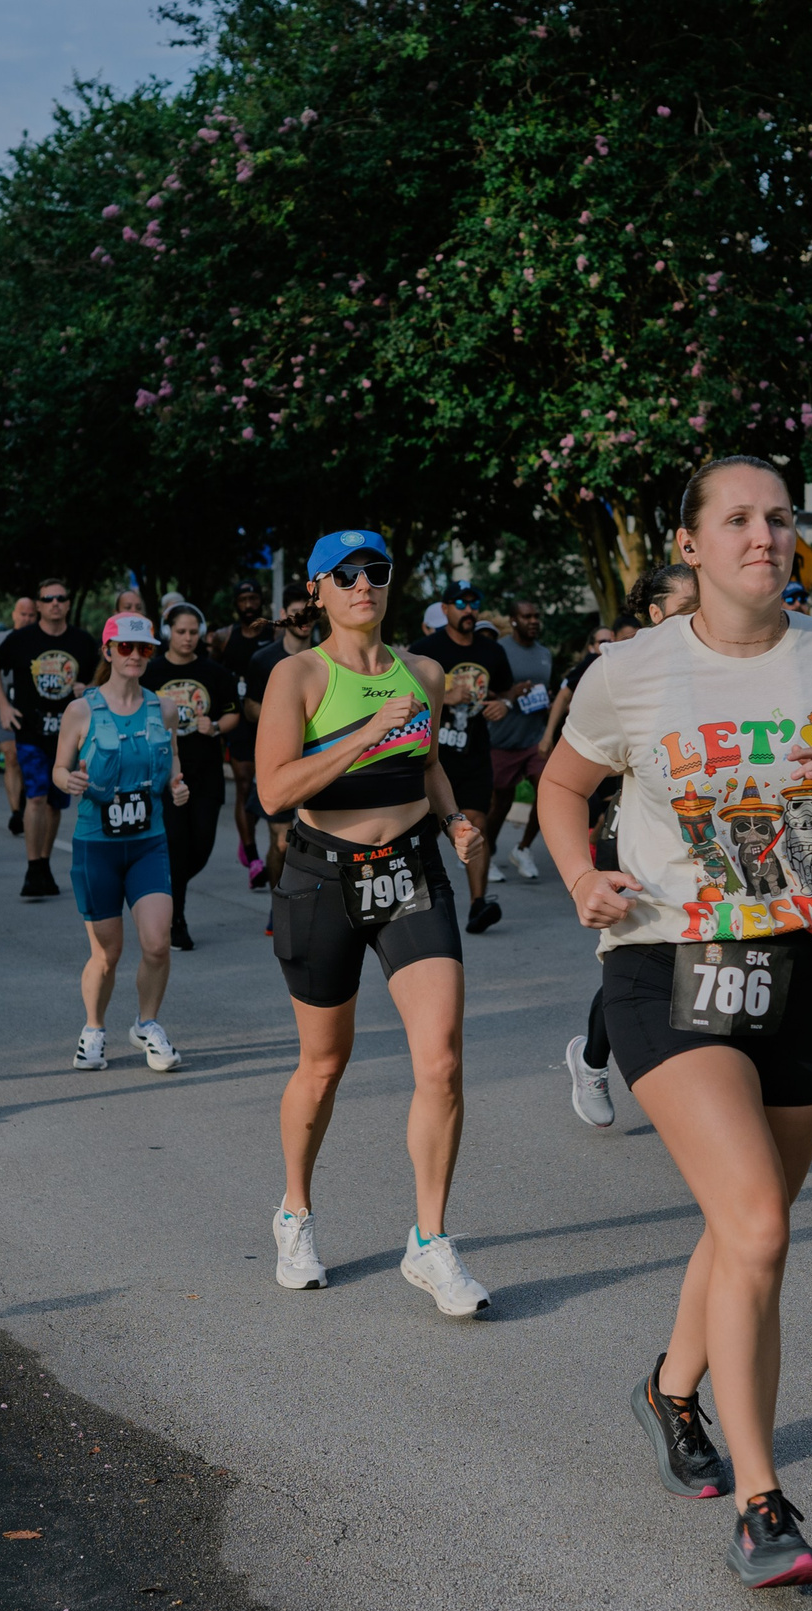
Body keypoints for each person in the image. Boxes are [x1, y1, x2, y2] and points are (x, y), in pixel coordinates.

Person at [539, 455, 812, 1589]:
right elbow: (563, 787)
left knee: (740, 1223)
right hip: (666, 964)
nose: (764, 536)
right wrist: (580, 879)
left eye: (778, 518)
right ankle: (764, 1505)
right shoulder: (631, 672)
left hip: (805, 973)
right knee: (759, 1220)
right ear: (692, 546)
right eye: (737, 519)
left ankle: (670, 1387)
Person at [256, 529, 492, 1319]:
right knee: (323, 1066)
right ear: (319, 590)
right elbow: (274, 792)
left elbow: (427, 763)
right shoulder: (298, 676)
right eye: (345, 573)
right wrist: (365, 731)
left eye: (376, 571)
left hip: (411, 873)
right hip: (322, 878)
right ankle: (294, 1212)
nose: (364, 583)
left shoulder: (422, 672)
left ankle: (429, 1240)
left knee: (443, 1061)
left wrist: (456, 820)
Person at [560, 567, 696, 1129]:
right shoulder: (624, 670)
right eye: (690, 604)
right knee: (643, 955)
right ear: (657, 614)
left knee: (702, 957)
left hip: (703, 827)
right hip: (629, 823)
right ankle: (594, 1060)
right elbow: (570, 768)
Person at [56, 614, 189, 1070]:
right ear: (108, 650)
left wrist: (177, 785)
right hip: (97, 845)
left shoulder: (164, 709)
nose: (135, 656)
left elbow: (172, 760)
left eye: (144, 649)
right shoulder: (82, 711)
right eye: (126, 647)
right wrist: (68, 779)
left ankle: (147, 1025)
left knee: (156, 943)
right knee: (107, 953)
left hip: (148, 842)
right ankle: (94, 1028)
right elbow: (59, 768)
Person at [0, 578, 101, 899]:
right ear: (37, 605)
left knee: (55, 800)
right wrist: (4, 707)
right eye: (48, 598)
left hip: (69, 733)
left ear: (67, 603)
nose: (55, 603)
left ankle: (44, 863)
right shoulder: (22, 639)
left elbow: (101, 673)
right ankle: (33, 866)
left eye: (61, 598)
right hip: (31, 731)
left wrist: (88, 687)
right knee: (35, 796)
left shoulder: (82, 641)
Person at [408, 581, 513, 932]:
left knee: (475, 824)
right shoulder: (425, 650)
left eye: (473, 603)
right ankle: (411, 901)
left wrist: (504, 703)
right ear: (446, 608)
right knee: (424, 831)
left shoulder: (491, 651)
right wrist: (442, 697)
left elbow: (503, 690)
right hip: (433, 754)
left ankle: (478, 904)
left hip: (474, 752)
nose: (468, 610)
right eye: (460, 603)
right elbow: (402, 697)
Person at [141, 603, 242, 949]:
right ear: (168, 632)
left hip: (206, 773)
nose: (187, 638)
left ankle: (167, 889)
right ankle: (176, 920)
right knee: (176, 846)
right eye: (181, 632)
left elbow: (234, 715)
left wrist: (213, 725)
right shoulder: (150, 673)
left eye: (193, 632)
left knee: (201, 846)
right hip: (166, 776)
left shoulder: (214, 672)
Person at [240, 586, 317, 891]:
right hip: (279, 757)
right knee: (282, 842)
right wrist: (288, 715)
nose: (304, 620)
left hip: (319, 758)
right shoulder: (263, 659)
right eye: (298, 613)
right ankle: (279, 899)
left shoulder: (329, 656)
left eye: (310, 613)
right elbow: (249, 709)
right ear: (284, 615)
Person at [485, 597, 554, 883]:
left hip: (534, 739)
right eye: (527, 616)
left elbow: (547, 690)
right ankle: (485, 855)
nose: (534, 621)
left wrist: (545, 699)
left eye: (536, 616)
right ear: (513, 620)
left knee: (548, 793)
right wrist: (511, 694)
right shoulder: (499, 651)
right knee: (500, 802)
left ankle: (523, 848)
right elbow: (485, 695)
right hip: (502, 740)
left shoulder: (545, 653)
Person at [215, 579, 276, 878]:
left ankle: (253, 833)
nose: (249, 604)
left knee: (264, 785)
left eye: (254, 598)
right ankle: (252, 856)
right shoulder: (225, 637)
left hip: (270, 716)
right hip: (239, 719)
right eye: (243, 599)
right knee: (243, 781)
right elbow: (213, 674)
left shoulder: (275, 632)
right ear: (235, 604)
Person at [0, 595, 36, 830]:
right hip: (5, 709)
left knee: (26, 760)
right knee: (11, 756)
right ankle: (15, 812)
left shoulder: (41, 641)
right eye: (23, 614)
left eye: (31, 615)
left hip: (31, 712)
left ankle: (26, 798)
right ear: (13, 615)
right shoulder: (0, 640)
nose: (27, 619)